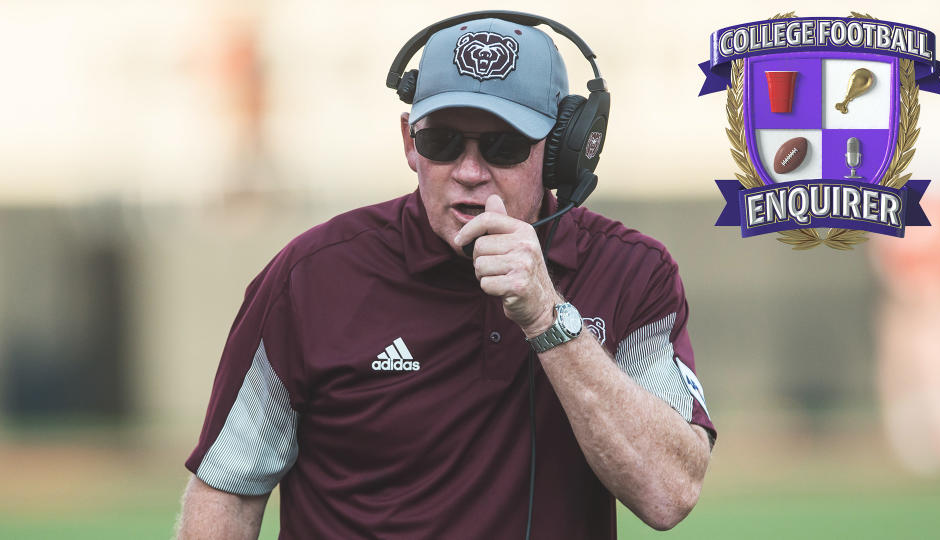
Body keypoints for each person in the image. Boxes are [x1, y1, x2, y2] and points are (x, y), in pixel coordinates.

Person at [177, 14, 715, 539]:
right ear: (410, 143)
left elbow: (668, 493)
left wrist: (550, 319)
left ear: (559, 154)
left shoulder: (633, 272)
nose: (469, 171)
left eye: (503, 146)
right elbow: (228, 489)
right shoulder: (311, 278)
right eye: (443, 143)